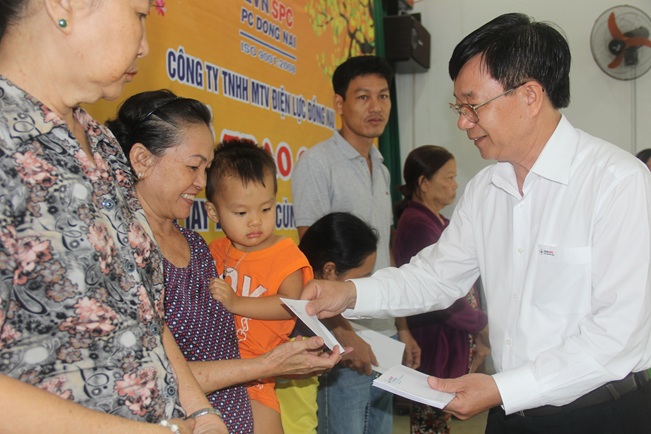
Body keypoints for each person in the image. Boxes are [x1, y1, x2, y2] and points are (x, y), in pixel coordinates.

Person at [301, 12, 651, 434]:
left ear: (530, 96)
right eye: (459, 107)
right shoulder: (487, 189)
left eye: (473, 106)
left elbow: (618, 336)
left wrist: (503, 388)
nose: (463, 122)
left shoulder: (616, 183)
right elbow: (434, 277)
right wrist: (350, 292)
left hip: (601, 413)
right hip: (510, 412)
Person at [0, 1, 226, 433]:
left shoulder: (101, 144)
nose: (144, 47)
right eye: (138, 14)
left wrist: (200, 412)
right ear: (64, 6)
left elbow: (141, 312)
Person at [105, 90, 340, 434]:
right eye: (192, 167)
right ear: (141, 160)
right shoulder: (118, 248)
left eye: (206, 168)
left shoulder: (198, 247)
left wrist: (285, 359)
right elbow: (150, 371)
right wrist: (266, 365)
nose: (202, 183)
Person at [291, 54, 420, 434]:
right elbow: (313, 260)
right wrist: (345, 334)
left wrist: (403, 327)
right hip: (343, 332)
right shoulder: (317, 163)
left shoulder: (381, 166)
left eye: (383, 96)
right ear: (339, 102)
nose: (376, 106)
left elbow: (387, 258)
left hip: (384, 330)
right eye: (363, 97)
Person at [205, 139, 314, 434]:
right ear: (213, 213)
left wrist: (237, 303)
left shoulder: (286, 254)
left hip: (259, 372)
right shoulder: (214, 252)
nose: (255, 221)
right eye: (241, 213)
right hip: (212, 368)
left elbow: (290, 304)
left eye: (266, 209)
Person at [393, 145, 489, 434]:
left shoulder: (439, 221)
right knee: (430, 418)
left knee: (440, 417)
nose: (455, 184)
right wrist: (481, 324)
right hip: (435, 336)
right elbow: (439, 292)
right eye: (448, 177)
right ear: (424, 182)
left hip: (451, 334)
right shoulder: (417, 225)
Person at [276, 212, 379, 434]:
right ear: (330, 271)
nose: (365, 285)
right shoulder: (288, 317)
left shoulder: (314, 311)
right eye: (363, 276)